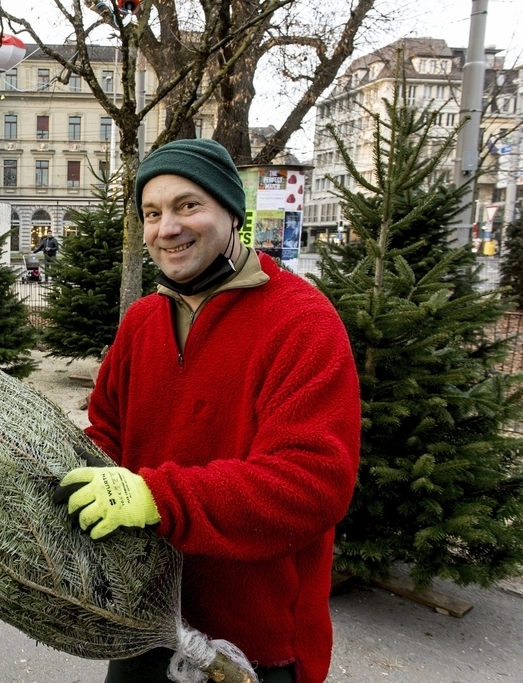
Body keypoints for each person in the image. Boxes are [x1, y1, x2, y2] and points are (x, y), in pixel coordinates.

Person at [55, 140, 361, 683]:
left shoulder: (301, 320)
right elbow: (107, 434)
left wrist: (155, 497)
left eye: (187, 206)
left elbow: (313, 482)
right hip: (142, 621)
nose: (166, 228)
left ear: (230, 211)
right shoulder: (144, 321)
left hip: (250, 649)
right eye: (152, 213)